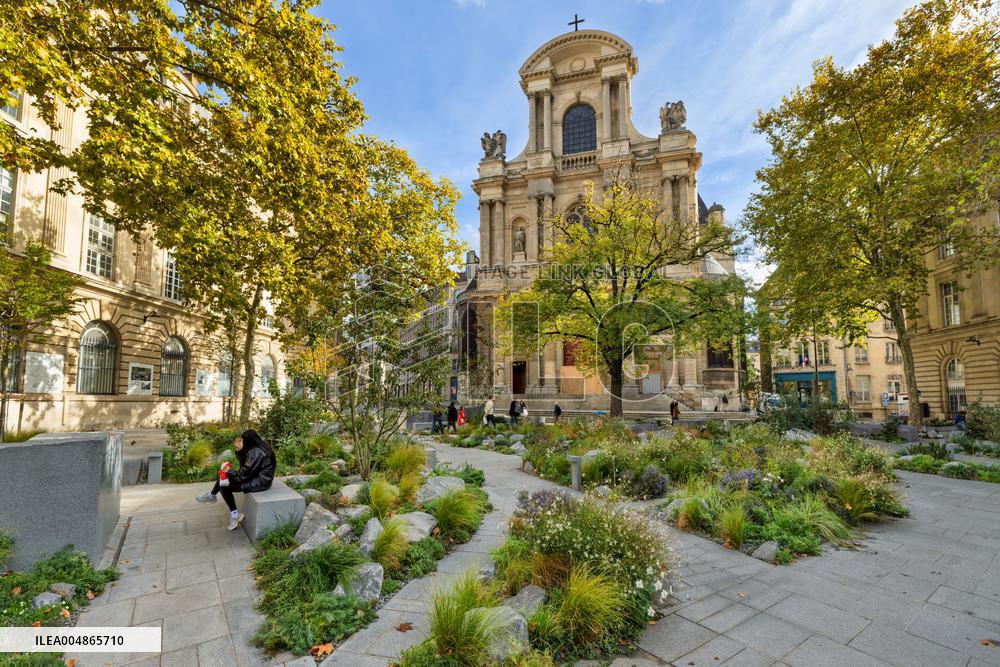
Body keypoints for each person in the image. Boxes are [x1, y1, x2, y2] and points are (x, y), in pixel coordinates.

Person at [196, 429, 276, 531]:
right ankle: (212, 495)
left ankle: (234, 515)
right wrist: (240, 452)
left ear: (248, 441)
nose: (238, 443)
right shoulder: (258, 447)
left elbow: (243, 475)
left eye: (241, 440)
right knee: (223, 475)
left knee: (224, 485)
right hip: (258, 477)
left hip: (260, 482)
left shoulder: (256, 452)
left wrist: (230, 471)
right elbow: (246, 469)